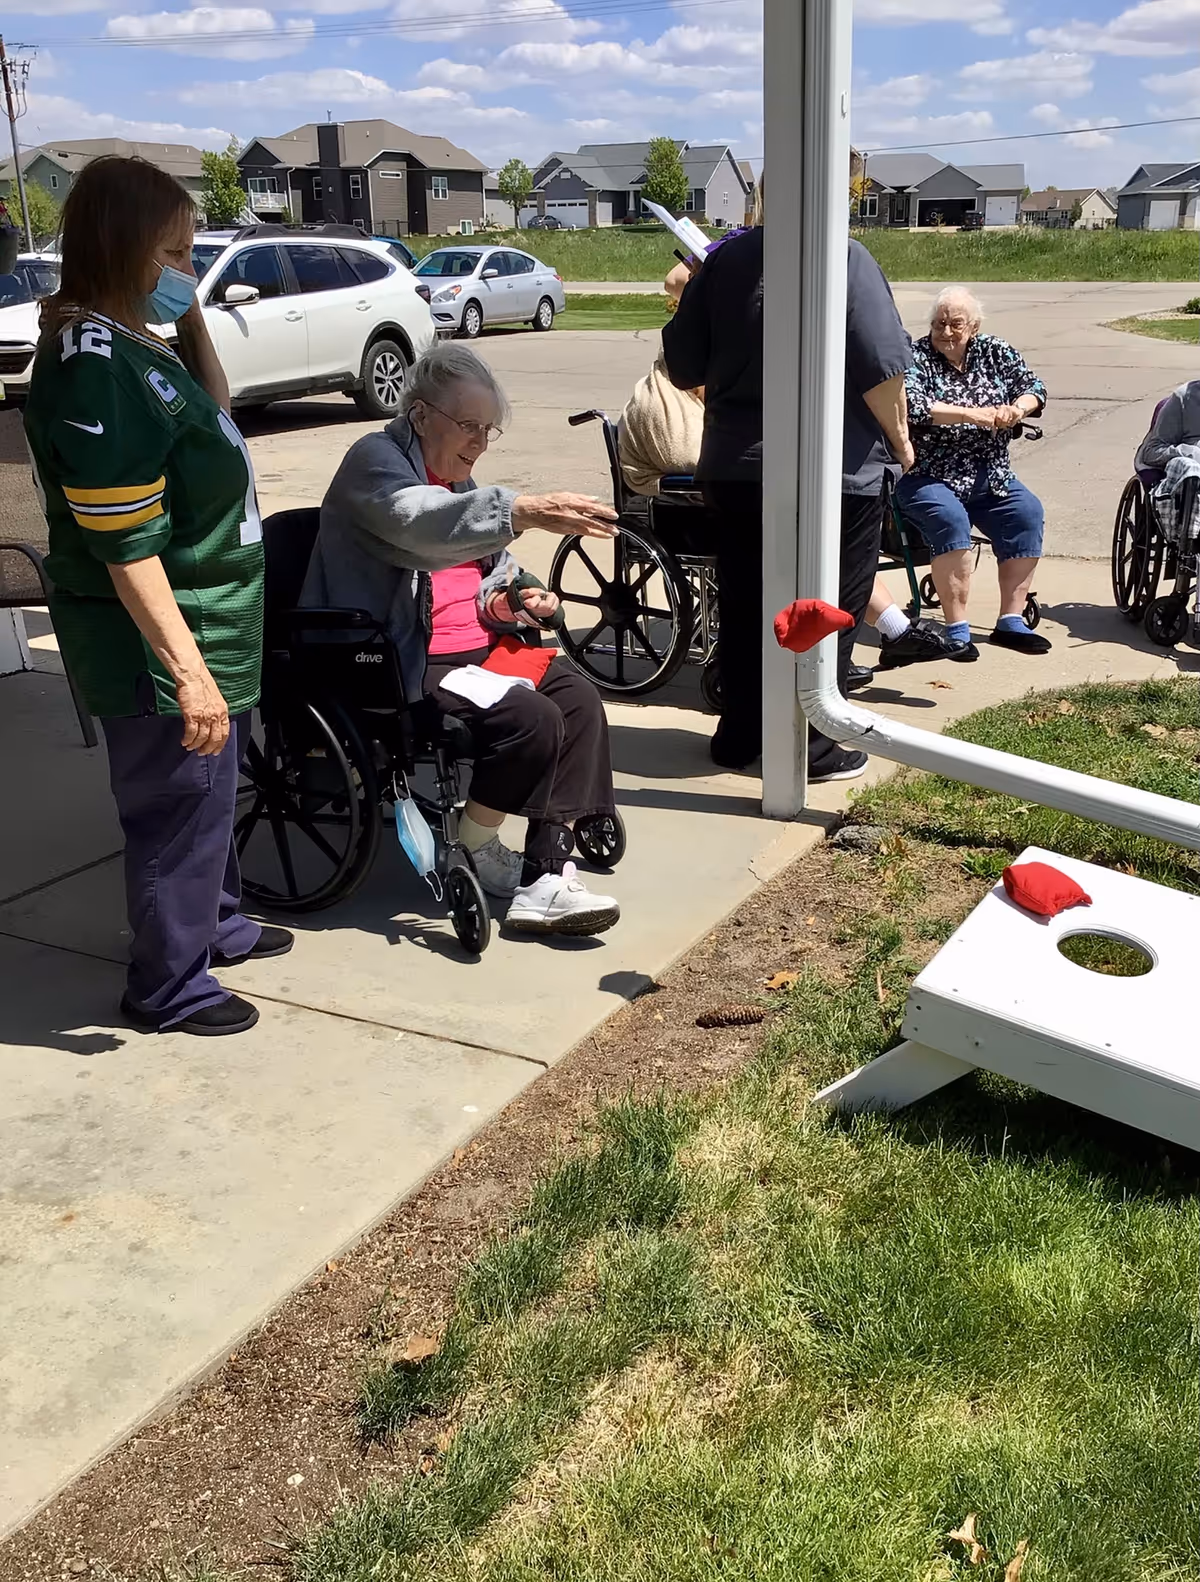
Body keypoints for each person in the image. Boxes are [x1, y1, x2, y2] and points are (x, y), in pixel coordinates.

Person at [24, 156, 284, 1038]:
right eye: (172, 253)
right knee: (177, 801)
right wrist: (189, 672)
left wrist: (192, 314)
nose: (186, 268)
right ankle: (169, 985)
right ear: (121, 246)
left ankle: (214, 922)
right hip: (162, 633)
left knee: (211, 791)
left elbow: (215, 414)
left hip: (212, 610)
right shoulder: (96, 365)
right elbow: (124, 543)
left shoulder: (141, 344)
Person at [304, 342, 623, 937]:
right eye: (469, 426)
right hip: (403, 656)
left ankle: (547, 873)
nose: (478, 442)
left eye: (487, 430)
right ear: (421, 415)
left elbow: (482, 570)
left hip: (475, 647)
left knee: (576, 699)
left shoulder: (455, 472)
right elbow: (420, 522)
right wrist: (525, 508)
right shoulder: (376, 462)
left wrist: (515, 598)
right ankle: (477, 845)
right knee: (530, 717)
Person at [661, 194, 926, 780]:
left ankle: (739, 733)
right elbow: (881, 365)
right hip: (832, 471)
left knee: (745, 601)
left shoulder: (724, 262)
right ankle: (817, 744)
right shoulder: (846, 259)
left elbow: (682, 364)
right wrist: (902, 443)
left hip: (736, 467)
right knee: (833, 604)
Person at [898, 287, 1050, 658]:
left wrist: (1017, 409)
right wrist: (973, 414)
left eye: (955, 324)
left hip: (991, 472)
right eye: (939, 323)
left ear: (974, 327)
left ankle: (1010, 621)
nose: (946, 332)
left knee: (1027, 513)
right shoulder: (916, 356)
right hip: (929, 473)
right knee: (951, 522)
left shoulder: (995, 351)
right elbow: (915, 406)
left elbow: (1035, 389)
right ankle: (957, 630)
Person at [1135, 379, 1200, 545]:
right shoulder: (1185, 398)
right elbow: (1152, 451)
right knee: (1188, 467)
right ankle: (1188, 547)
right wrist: (1189, 452)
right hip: (1191, 476)